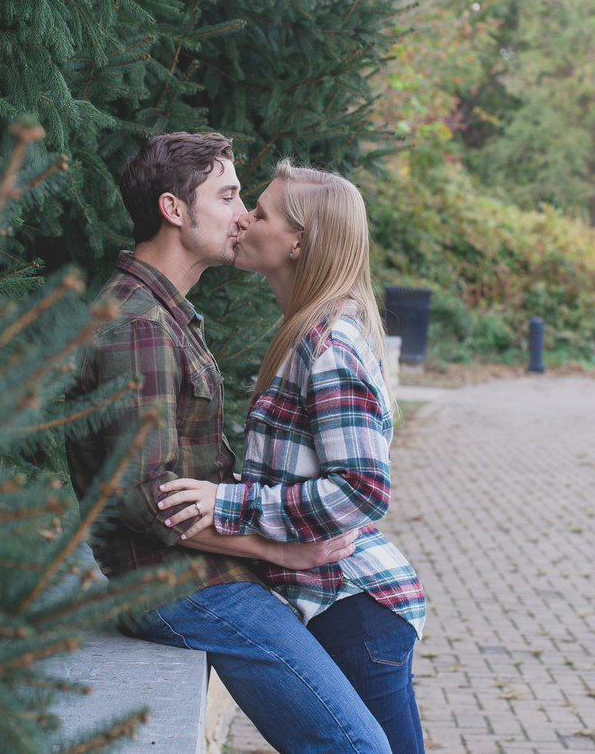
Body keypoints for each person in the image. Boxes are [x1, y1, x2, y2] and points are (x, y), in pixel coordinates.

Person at [65, 133, 393, 754]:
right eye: (229, 194)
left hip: (203, 576)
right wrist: (283, 554)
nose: (243, 214)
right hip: (182, 587)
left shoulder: (165, 316)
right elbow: (144, 498)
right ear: (174, 210)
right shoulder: (138, 325)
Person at [157, 160, 427, 754]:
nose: (244, 219)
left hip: (355, 608)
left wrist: (228, 503)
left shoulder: (330, 344)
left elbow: (360, 490)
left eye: (262, 212)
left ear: (298, 242)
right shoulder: (303, 334)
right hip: (335, 604)